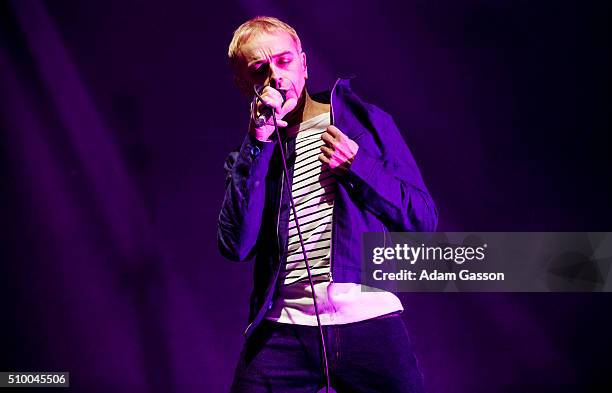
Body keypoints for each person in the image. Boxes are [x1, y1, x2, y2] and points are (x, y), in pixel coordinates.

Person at [218, 16, 438, 393]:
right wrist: (257, 142)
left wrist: (359, 166)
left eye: (284, 61)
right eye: (259, 69)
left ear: (304, 63)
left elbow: (421, 219)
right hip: (282, 328)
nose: (275, 76)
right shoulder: (250, 154)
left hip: (367, 318)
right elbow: (236, 245)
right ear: (244, 83)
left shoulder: (366, 123)